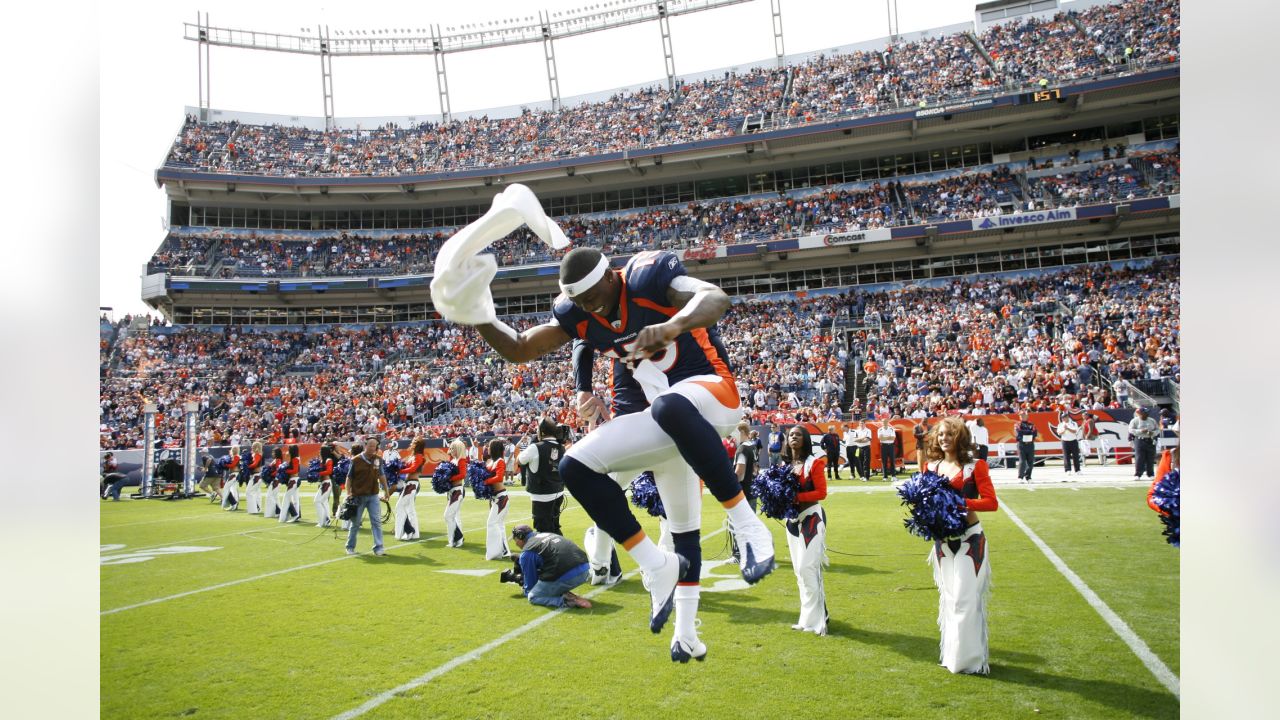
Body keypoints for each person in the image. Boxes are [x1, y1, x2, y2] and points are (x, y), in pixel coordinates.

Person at [457, 246, 776, 643]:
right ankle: (656, 569)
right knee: (575, 466)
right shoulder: (579, 313)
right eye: (580, 304)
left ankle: (746, 524)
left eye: (594, 299)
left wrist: (673, 325)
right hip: (664, 420)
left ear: (612, 277)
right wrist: (478, 315)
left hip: (713, 398)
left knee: (669, 405)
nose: (590, 309)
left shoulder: (647, 278)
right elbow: (521, 347)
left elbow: (714, 297)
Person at [922, 416, 999, 674]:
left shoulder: (976, 466)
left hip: (970, 538)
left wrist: (961, 504)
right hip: (943, 541)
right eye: (940, 434)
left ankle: (971, 661)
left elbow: (991, 502)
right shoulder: (931, 467)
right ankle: (953, 655)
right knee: (951, 599)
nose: (944, 438)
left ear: (960, 437)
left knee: (966, 600)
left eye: (949, 434)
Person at [780, 424, 829, 636]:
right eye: (791, 434)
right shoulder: (784, 466)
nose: (794, 437)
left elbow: (821, 492)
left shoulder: (814, 463)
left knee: (807, 568)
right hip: (792, 522)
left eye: (798, 435)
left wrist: (796, 497)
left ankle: (818, 620)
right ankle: (807, 618)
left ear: (805, 439)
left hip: (811, 518)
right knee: (799, 572)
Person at [510, 525, 592, 610]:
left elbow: (530, 588)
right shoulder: (548, 534)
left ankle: (568, 601)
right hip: (585, 570)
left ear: (520, 536)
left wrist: (523, 585)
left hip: (567, 576)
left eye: (515, 539)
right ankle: (564, 593)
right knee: (549, 579)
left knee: (533, 596)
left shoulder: (527, 552)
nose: (516, 543)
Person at [519, 417, 567, 536]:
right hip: (558, 492)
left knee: (543, 530)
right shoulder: (562, 447)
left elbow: (520, 460)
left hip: (541, 494)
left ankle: (554, 553)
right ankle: (563, 551)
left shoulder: (535, 447)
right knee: (554, 526)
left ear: (541, 432)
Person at [344, 436, 390, 556]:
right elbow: (349, 478)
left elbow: (382, 475)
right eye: (370, 445)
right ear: (365, 446)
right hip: (358, 495)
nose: (372, 448)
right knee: (355, 523)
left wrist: (386, 490)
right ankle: (350, 547)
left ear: (377, 447)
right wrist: (348, 493)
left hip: (373, 495)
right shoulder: (355, 460)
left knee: (376, 522)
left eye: (374, 446)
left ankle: (379, 547)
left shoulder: (378, 459)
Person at [483, 439, 512, 560]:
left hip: (501, 497)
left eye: (489, 446)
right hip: (494, 497)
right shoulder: (490, 462)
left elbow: (499, 477)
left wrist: (485, 481)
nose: (487, 448)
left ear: (493, 448)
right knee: (499, 525)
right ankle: (504, 552)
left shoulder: (500, 461)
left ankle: (496, 552)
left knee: (492, 523)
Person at [393, 438, 426, 540]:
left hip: (412, 483)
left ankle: (409, 530)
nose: (411, 443)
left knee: (399, 507)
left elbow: (413, 469)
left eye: (413, 442)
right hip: (409, 483)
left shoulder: (419, 456)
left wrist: (399, 471)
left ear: (417, 445)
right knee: (410, 510)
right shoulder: (413, 456)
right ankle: (414, 533)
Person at [443, 439, 468, 547]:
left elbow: (463, 474)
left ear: (458, 449)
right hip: (452, 491)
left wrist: (450, 478)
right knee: (451, 516)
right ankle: (454, 539)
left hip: (457, 491)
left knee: (448, 515)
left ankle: (458, 537)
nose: (451, 450)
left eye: (453, 448)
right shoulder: (453, 460)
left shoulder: (461, 460)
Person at [1129, 407, 1158, 479]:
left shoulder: (1152, 420)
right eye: (1145, 412)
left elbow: (1157, 430)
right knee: (1139, 458)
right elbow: (1131, 430)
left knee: (1150, 458)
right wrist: (1140, 431)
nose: (1147, 414)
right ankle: (1138, 474)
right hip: (1140, 440)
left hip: (1150, 440)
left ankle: (1150, 474)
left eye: (1147, 412)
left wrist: (1153, 433)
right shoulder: (1135, 421)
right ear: (1140, 413)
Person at [313, 444, 336, 528]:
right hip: (323, 483)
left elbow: (329, 471)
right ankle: (326, 520)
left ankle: (321, 522)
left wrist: (318, 473)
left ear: (324, 452)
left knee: (317, 501)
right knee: (323, 502)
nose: (319, 452)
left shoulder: (328, 460)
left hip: (326, 483)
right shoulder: (322, 460)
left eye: (321, 450)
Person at [278, 445, 302, 523]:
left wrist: (285, 470)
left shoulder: (295, 459)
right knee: (295, 499)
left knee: (287, 498)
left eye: (290, 449)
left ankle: (286, 517)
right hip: (294, 479)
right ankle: (296, 515)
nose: (288, 450)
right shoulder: (296, 458)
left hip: (293, 480)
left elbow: (295, 470)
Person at [1015, 410, 1038, 482]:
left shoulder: (1031, 424)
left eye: (1024, 415)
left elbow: (1035, 433)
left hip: (1030, 444)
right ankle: (1020, 477)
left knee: (1030, 461)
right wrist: (1029, 431)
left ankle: (1028, 477)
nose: (1022, 417)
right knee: (1022, 461)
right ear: (1019, 416)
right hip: (1021, 444)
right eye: (1021, 415)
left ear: (1027, 416)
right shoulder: (1017, 424)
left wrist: (1027, 432)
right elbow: (1019, 432)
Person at [1057, 413, 1082, 478]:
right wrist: (1064, 430)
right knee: (1066, 456)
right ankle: (1068, 470)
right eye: (1063, 418)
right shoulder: (1060, 424)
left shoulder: (1073, 423)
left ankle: (1077, 470)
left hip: (1073, 441)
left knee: (1075, 456)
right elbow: (1059, 433)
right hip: (1065, 441)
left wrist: (1068, 428)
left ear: (1068, 417)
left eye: (1065, 417)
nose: (1064, 419)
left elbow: (1075, 431)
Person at [244, 441, 264, 514]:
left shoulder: (257, 455)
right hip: (256, 475)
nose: (251, 447)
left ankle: (253, 510)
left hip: (256, 476)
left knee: (249, 492)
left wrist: (247, 466)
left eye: (253, 446)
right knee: (257, 493)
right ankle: (258, 508)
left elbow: (255, 464)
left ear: (256, 447)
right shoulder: (256, 454)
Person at [263, 447, 283, 518]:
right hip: (274, 480)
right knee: (275, 497)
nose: (272, 454)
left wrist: (270, 474)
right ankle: (279, 512)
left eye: (273, 452)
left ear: (277, 453)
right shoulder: (275, 460)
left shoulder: (278, 460)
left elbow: (278, 471)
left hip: (276, 480)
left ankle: (278, 511)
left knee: (270, 496)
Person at [220, 445, 241, 511]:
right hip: (233, 474)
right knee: (233, 489)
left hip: (234, 474)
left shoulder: (236, 457)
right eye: (233, 449)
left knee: (226, 488)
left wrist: (225, 464)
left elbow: (232, 465)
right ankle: (234, 504)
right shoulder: (234, 457)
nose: (233, 450)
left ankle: (233, 503)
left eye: (235, 449)